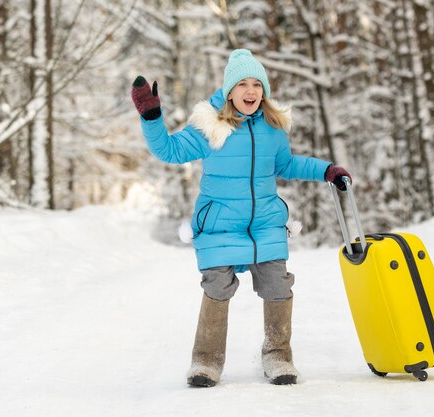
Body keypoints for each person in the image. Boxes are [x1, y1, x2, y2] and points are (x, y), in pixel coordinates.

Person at [131, 49, 352, 387]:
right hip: (220, 225)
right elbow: (168, 150)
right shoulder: (210, 127)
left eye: (257, 85)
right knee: (217, 287)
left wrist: (327, 170)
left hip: (265, 224)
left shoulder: (272, 128)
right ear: (229, 91)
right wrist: (152, 119)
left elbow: (286, 164)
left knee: (278, 284)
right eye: (243, 84)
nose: (251, 91)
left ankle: (278, 356)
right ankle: (206, 362)